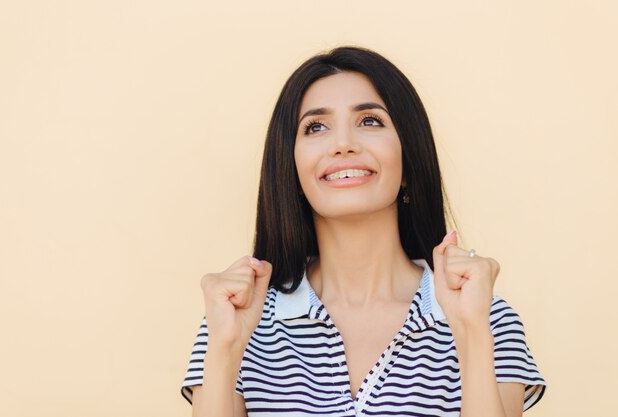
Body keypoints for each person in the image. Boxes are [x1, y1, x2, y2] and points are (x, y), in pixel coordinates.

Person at [180, 46, 547, 417]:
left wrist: (471, 333)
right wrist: (225, 350)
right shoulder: (235, 322)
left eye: (370, 121)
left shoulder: (487, 317)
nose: (343, 145)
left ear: (408, 161)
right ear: (291, 170)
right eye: (316, 127)